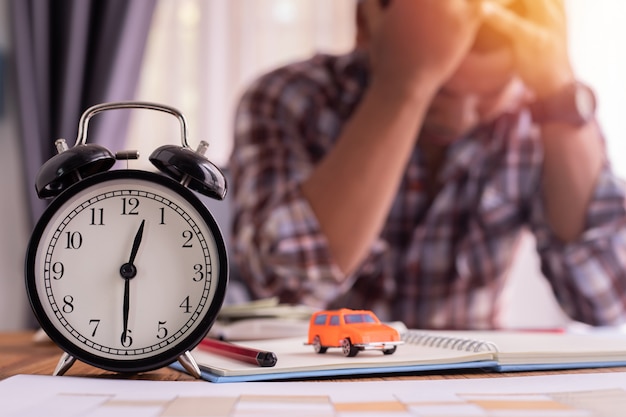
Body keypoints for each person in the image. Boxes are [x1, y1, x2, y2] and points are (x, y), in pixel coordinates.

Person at [228, 0, 626, 329]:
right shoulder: (287, 98)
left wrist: (557, 92)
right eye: (440, 92)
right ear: (366, 25)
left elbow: (605, 300)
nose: (463, 118)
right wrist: (403, 87)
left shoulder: (535, 117)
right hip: (313, 379)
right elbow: (281, 292)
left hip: (465, 385)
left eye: (489, 96)